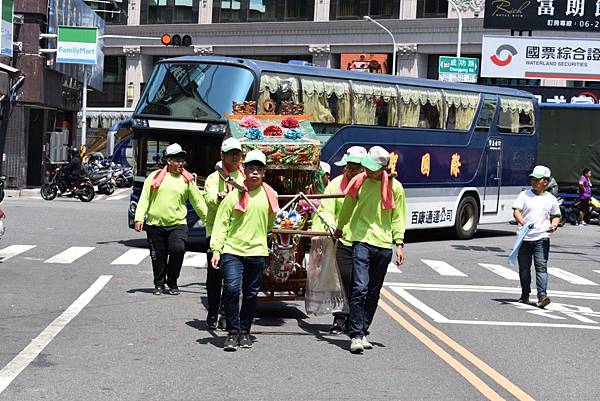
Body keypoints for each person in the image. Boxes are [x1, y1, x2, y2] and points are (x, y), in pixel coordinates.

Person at [336, 146, 407, 354]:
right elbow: (348, 206)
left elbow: (398, 217)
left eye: (372, 168)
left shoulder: (395, 188)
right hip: (361, 240)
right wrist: (341, 227)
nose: (367, 170)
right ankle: (356, 334)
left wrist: (399, 243)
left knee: (373, 291)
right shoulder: (358, 182)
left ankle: (363, 329)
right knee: (360, 288)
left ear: (383, 168)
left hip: (384, 244)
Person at [210, 149, 279, 351]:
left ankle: (244, 331)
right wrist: (216, 250)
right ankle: (232, 332)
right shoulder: (233, 196)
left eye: (259, 169)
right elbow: (221, 224)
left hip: (257, 252)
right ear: (244, 170)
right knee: (231, 290)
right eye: (251, 168)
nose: (255, 172)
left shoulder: (270, 195)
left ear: (264, 172)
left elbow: (270, 222)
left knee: (250, 294)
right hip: (232, 250)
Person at [134, 143, 207, 296]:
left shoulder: (187, 180)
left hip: (177, 223)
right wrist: (139, 217)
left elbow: (198, 202)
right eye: (177, 160)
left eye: (182, 160)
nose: (181, 163)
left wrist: (209, 220)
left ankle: (172, 280)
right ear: (168, 160)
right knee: (158, 256)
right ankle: (159, 283)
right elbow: (144, 199)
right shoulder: (153, 178)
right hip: (155, 224)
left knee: (178, 250)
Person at [311, 146, 367, 335]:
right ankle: (340, 318)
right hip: (342, 238)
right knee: (342, 279)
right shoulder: (335, 184)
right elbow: (326, 208)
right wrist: (332, 226)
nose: (351, 171)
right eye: (349, 167)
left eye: (356, 168)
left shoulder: (369, 185)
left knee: (359, 283)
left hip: (364, 239)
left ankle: (356, 321)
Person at [203, 138, 245, 330]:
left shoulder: (245, 177)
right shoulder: (214, 178)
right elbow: (210, 201)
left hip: (237, 233)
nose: (234, 156)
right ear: (222, 155)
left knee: (233, 280)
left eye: (237, 153)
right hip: (215, 231)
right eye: (230, 153)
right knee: (215, 277)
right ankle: (212, 311)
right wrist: (220, 197)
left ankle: (225, 314)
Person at [512, 165, 561, 309]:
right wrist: (523, 222)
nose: (533, 181)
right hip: (524, 238)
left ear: (545, 182)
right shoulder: (524, 195)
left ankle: (542, 296)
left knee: (541, 267)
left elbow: (556, 216)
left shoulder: (551, 199)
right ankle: (525, 294)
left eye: (537, 179)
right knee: (524, 268)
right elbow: (516, 212)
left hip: (542, 238)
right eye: (532, 178)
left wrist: (554, 225)